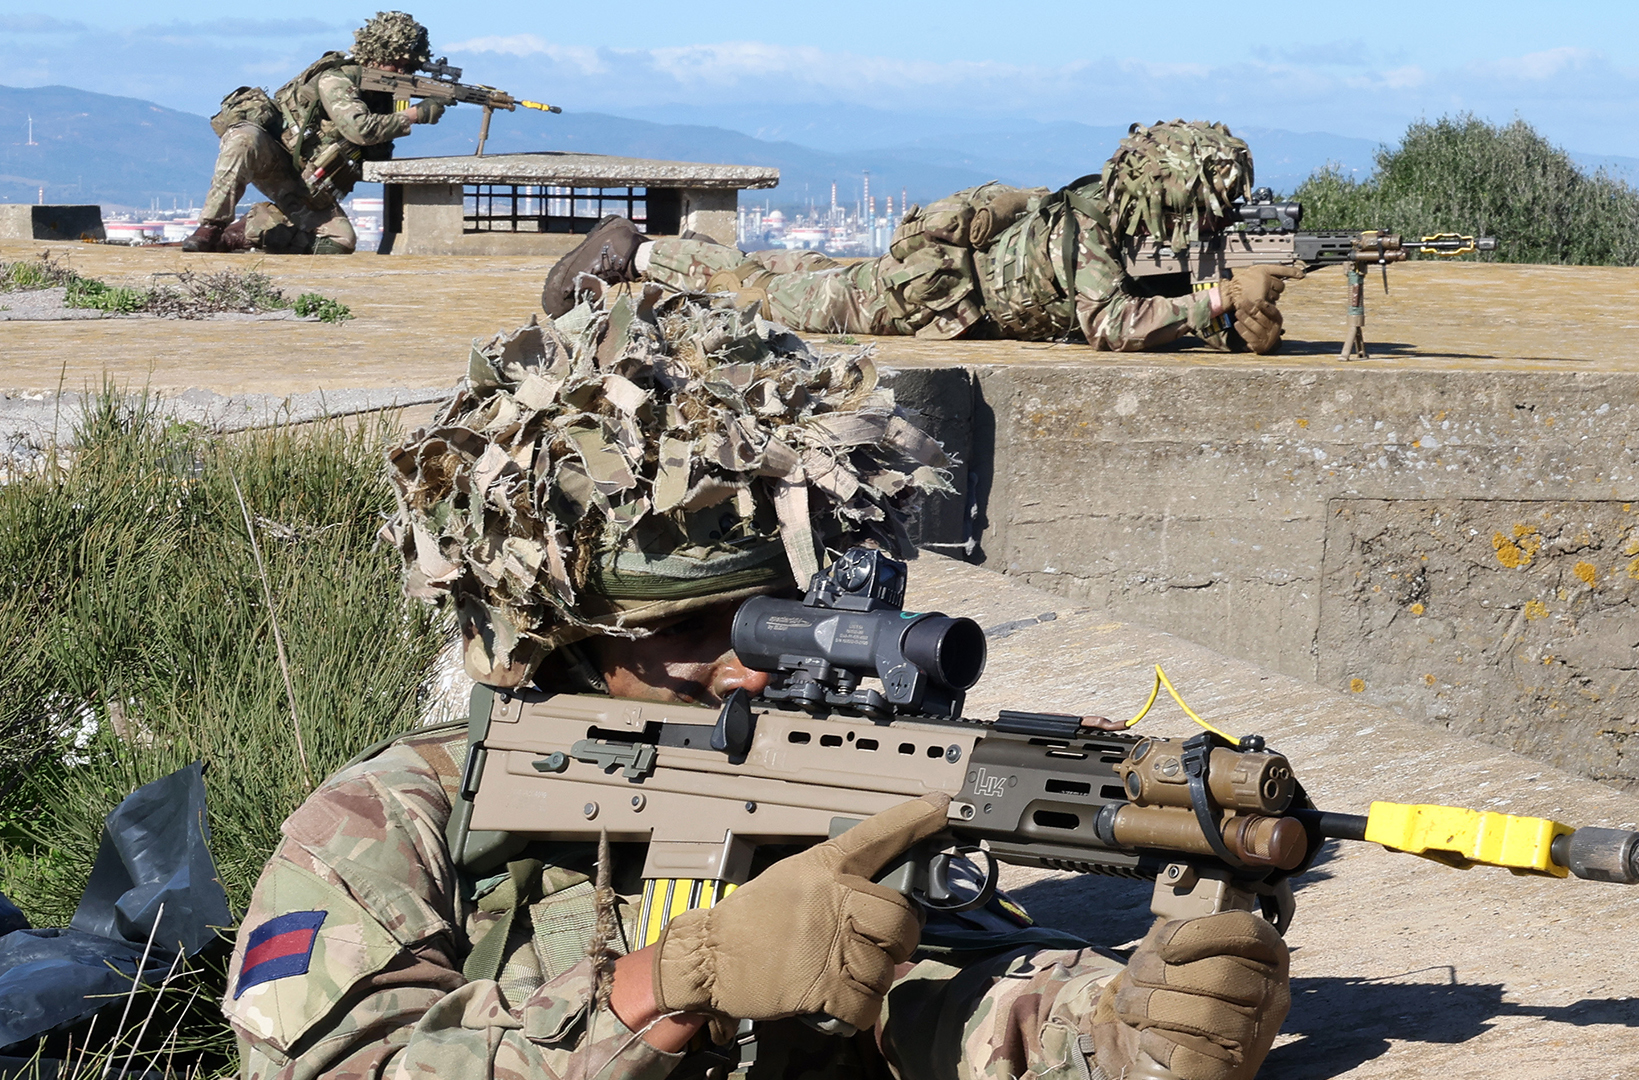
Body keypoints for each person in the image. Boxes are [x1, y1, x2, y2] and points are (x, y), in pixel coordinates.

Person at [222, 285, 1291, 1080]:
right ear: (563, 630)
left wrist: (1108, 1030)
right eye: (692, 628)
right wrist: (660, 987)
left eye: (787, 619)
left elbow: (929, 996)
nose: (753, 661)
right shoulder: (384, 823)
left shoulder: (819, 771)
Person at [542, 121, 1292, 355]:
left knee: (793, 271)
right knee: (766, 298)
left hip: (939, 278)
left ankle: (656, 252)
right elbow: (1111, 323)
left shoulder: (1110, 212)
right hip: (926, 296)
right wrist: (1216, 299)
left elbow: (1140, 296)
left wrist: (1222, 313)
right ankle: (632, 251)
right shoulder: (1094, 225)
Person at [182, 12, 445, 255]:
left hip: (308, 181)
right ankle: (211, 227)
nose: (401, 72)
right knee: (244, 138)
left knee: (340, 242)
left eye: (408, 68)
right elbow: (360, 129)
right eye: (396, 64)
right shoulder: (337, 78)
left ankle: (250, 231)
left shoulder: (380, 93)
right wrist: (415, 114)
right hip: (274, 157)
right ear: (378, 54)